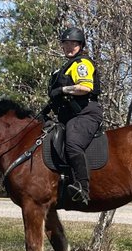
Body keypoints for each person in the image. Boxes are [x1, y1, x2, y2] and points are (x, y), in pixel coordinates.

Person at [42, 26, 103, 205]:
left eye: (74, 44)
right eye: (66, 43)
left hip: (86, 113)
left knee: (73, 144)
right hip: (68, 116)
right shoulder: (63, 68)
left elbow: (85, 87)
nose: (69, 47)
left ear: (80, 46)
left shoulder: (82, 64)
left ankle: (82, 189)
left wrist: (62, 89)